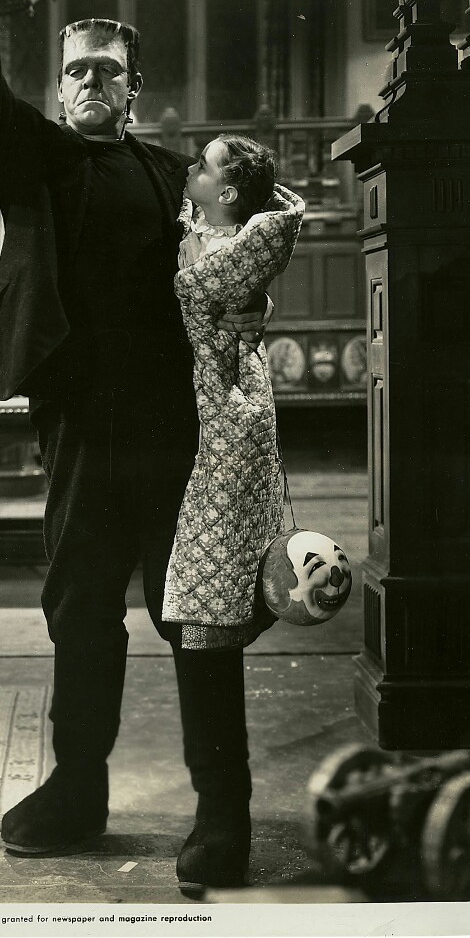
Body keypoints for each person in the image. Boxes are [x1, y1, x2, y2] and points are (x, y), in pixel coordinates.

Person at [0, 0, 271, 888]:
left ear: (136, 89)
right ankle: (78, 788)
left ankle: (224, 810)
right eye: (77, 71)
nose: (93, 83)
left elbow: (236, 255)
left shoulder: (175, 175)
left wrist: (250, 297)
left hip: (180, 430)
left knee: (200, 612)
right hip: (82, 425)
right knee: (82, 609)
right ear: (59, 89)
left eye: (109, 72)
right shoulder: (37, 158)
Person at [164, 135, 305, 651]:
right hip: (187, 381)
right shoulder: (200, 224)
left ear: (226, 195)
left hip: (220, 386)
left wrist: (232, 292)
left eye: (202, 165)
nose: (190, 168)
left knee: (222, 514)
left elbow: (213, 287)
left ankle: (222, 622)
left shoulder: (225, 247)